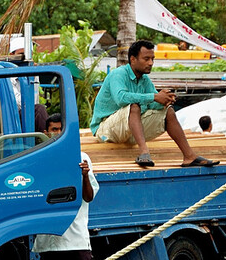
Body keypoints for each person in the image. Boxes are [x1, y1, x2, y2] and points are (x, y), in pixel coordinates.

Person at [91, 40, 219, 169]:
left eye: (152, 59)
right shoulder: (118, 74)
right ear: (133, 59)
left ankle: (189, 156)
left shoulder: (145, 79)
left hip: (128, 130)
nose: (151, 63)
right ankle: (144, 153)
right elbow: (121, 98)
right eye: (146, 59)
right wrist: (155, 96)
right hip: (105, 130)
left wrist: (165, 100)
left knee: (168, 111)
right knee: (133, 106)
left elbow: (153, 103)